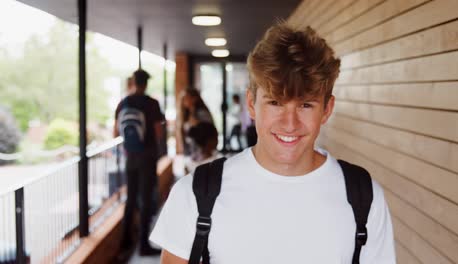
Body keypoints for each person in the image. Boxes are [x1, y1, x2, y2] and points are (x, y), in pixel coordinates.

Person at [150, 22, 396, 263]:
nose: (290, 124)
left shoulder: (364, 196)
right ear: (251, 104)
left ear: (327, 109)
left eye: (306, 105)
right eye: (275, 103)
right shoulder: (195, 194)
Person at [114, 69, 165, 256]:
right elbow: (158, 131)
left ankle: (125, 242)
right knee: (146, 200)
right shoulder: (152, 103)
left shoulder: (123, 103)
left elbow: (115, 132)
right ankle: (143, 245)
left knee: (131, 198)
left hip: (131, 158)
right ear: (146, 83)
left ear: (133, 82)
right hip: (148, 157)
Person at [177, 88, 214, 155]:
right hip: (190, 153)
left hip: (203, 153)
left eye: (186, 98)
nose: (184, 101)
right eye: (183, 99)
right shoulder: (185, 115)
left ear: (194, 99)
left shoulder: (202, 113)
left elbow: (207, 133)